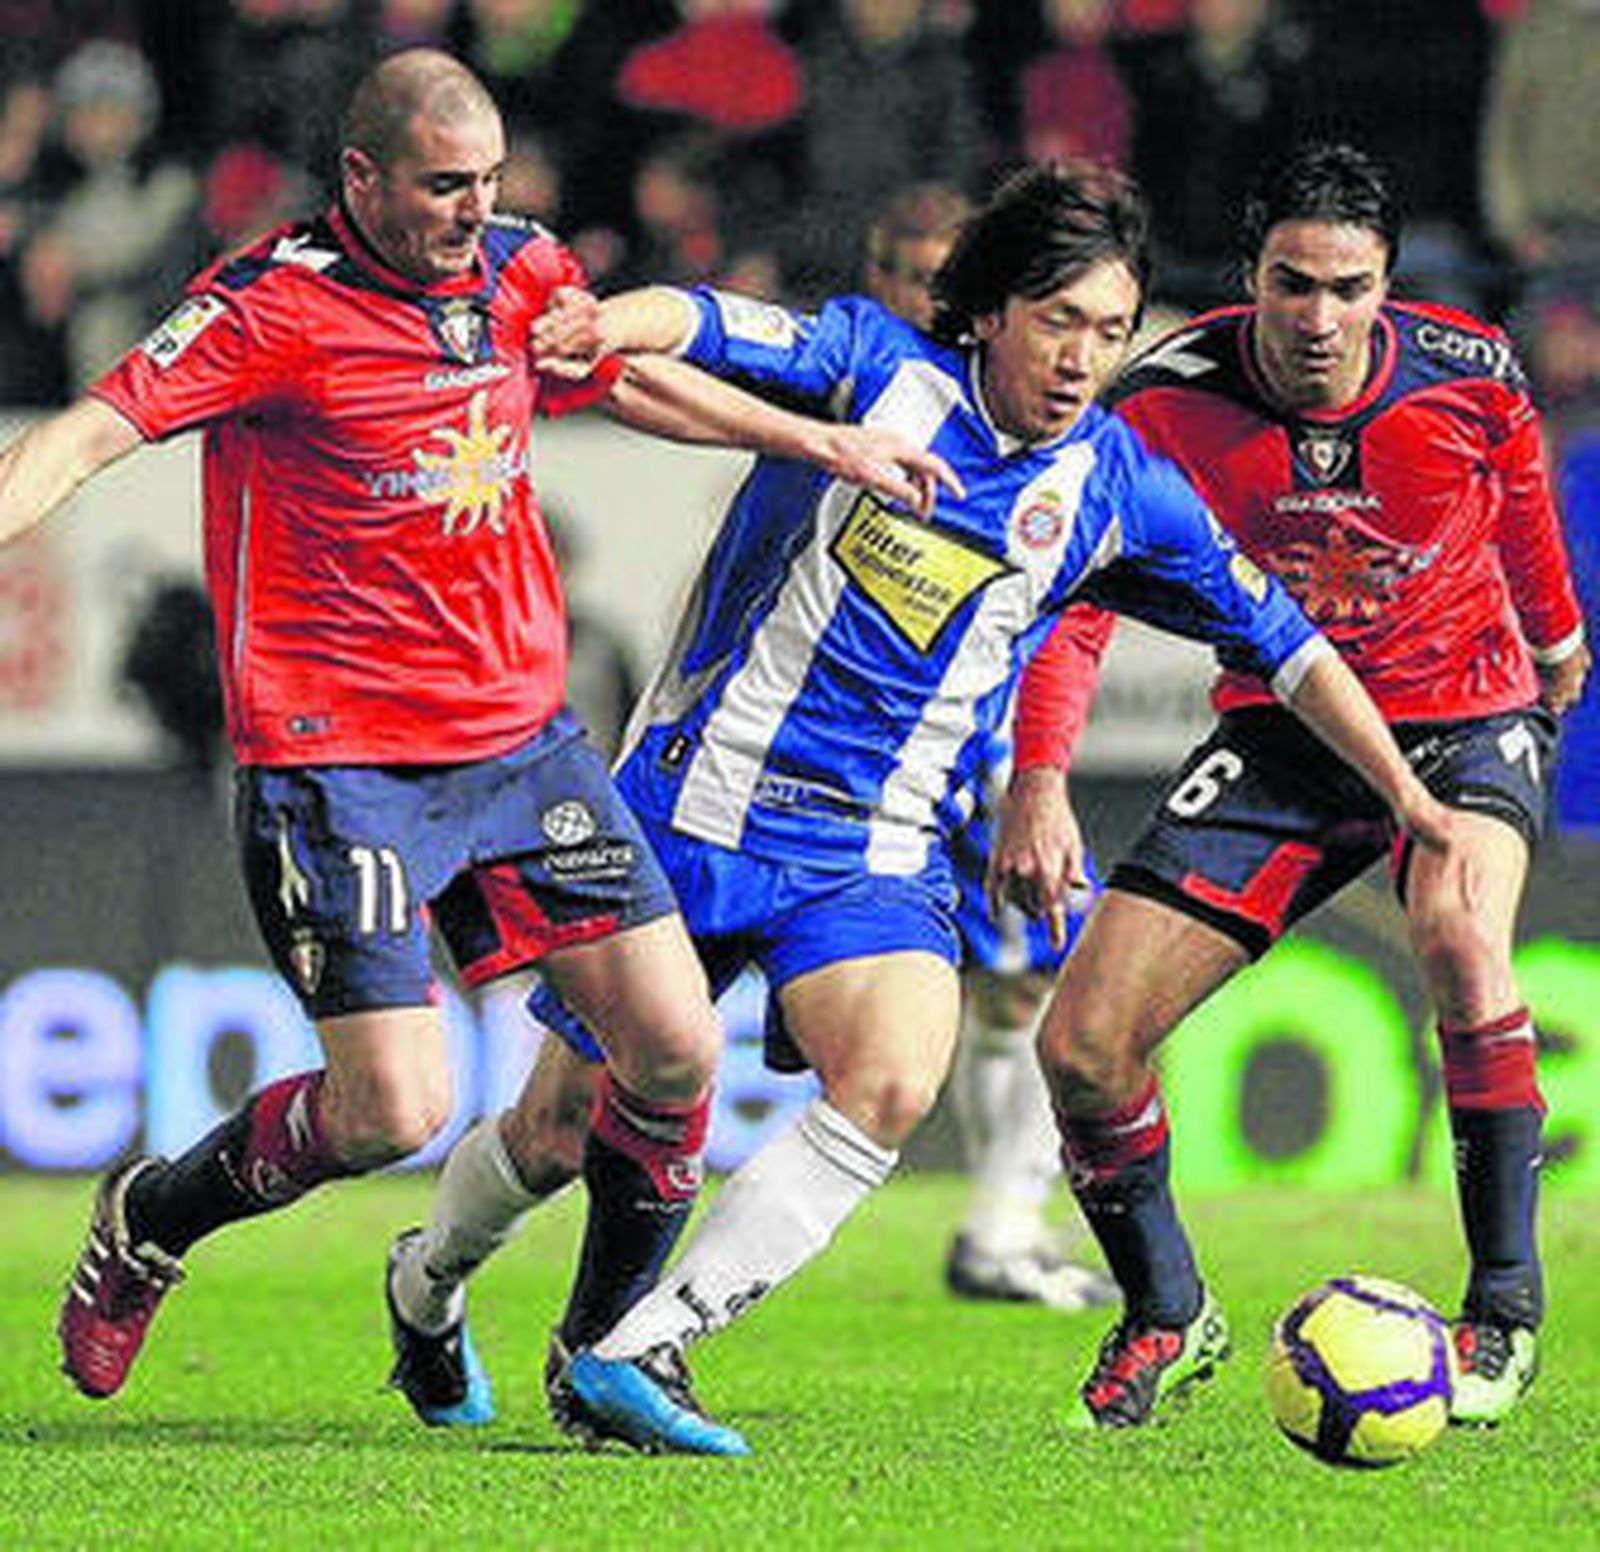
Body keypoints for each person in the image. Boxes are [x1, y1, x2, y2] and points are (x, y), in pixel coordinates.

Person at [384, 158, 1467, 1457]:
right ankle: (428, 1282)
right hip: (697, 806)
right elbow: (707, 320)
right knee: (557, 1129)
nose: (1082, 358)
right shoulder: (877, 368)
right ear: (994, 312)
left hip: (869, 853)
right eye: (1059, 321)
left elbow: (1288, 645)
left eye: (1111, 332)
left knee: (898, 1072)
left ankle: (644, 1348)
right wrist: (606, 321)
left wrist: (1407, 792)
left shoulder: (1118, 484)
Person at [1, 46, 953, 1409]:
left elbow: (619, 381)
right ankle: (150, 1219)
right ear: (363, 178)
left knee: (678, 1048)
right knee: (393, 1111)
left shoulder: (518, 271)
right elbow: (84, 437)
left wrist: (823, 444)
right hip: (340, 762)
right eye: (446, 185)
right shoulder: (271, 305)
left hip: (521, 743)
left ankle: (604, 1355)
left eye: (491, 179)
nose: (475, 208)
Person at [995, 141, 1590, 1431]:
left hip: (1463, 717)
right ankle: (1165, 1311)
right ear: (1249, 277)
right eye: (1292, 285)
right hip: (1279, 731)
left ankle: (1501, 1310)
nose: (1319, 319)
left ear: (1385, 284)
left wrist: (1552, 641)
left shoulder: (1469, 375)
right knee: (1081, 1049)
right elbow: (1077, 609)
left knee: (1457, 934)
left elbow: (1519, 502)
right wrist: (1038, 776)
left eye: (1348, 287)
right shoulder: (1160, 399)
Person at [863, 177, 1113, 1308]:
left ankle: (1003, 1226)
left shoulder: (1013, 415)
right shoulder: (871, 398)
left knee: (1037, 985)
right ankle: (1000, 1230)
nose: (926, 292)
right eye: (904, 273)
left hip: (986, 748)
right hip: (914, 760)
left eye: (939, 273)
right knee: (1055, 987)